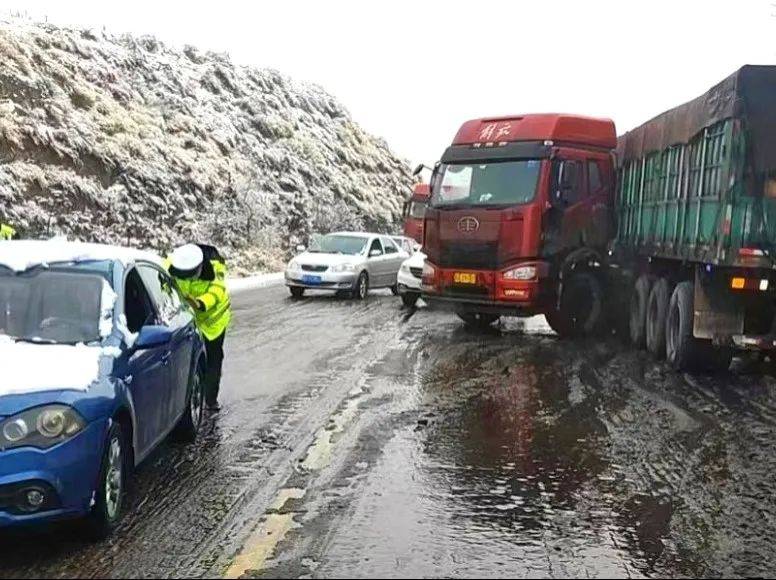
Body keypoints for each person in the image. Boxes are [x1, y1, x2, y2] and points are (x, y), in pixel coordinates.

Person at [167, 243, 232, 411]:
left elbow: (216, 292)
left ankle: (211, 399)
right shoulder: (173, 264)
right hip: (187, 320)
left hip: (213, 323)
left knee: (213, 359)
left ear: (200, 267)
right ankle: (190, 393)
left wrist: (199, 303)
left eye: (191, 276)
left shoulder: (215, 270)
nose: (187, 280)